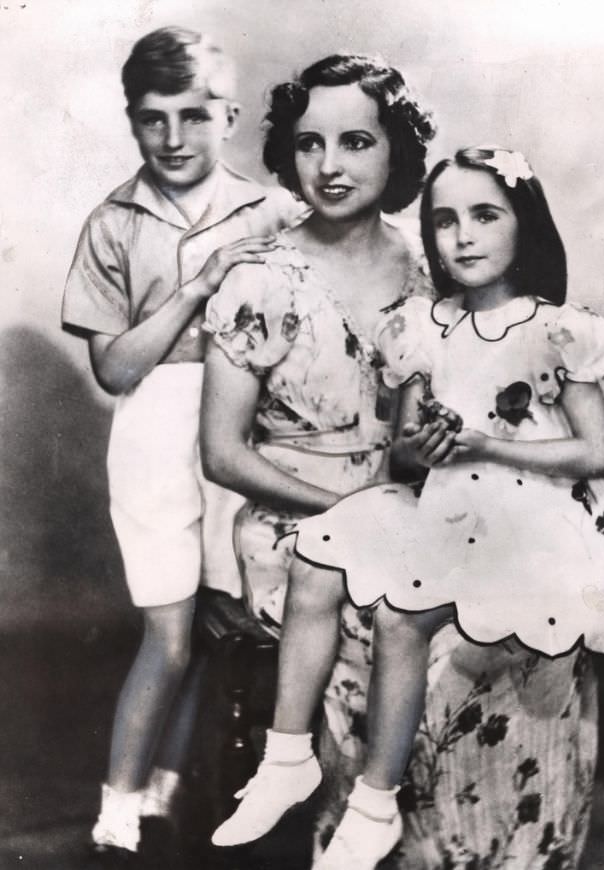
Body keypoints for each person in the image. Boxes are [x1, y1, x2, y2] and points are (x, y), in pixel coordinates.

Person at [214, 146, 604, 869]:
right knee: (319, 553)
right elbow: (404, 457)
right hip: (452, 512)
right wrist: (431, 445)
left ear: (523, 227)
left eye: (483, 216)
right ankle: (287, 759)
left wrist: (486, 447)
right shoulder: (421, 327)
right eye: (444, 221)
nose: (462, 236)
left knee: (404, 615)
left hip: (532, 523)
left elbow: (594, 452)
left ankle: (373, 803)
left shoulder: (557, 330)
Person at [62, 26, 300, 865]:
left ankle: (167, 785)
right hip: (157, 430)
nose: (173, 139)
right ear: (132, 121)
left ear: (228, 115)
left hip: (247, 424)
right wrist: (199, 287)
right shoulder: (114, 222)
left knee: (221, 623)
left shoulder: (275, 210)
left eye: (194, 117)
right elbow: (116, 369)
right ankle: (116, 812)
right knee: (166, 633)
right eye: (152, 119)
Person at [198, 52, 435, 866]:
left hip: (407, 507)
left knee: (495, 616)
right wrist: (345, 509)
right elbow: (223, 454)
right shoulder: (259, 281)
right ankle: (346, 820)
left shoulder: (436, 265)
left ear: (397, 150)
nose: (329, 166)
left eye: (357, 142)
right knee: (381, 623)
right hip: (294, 527)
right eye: (309, 144)